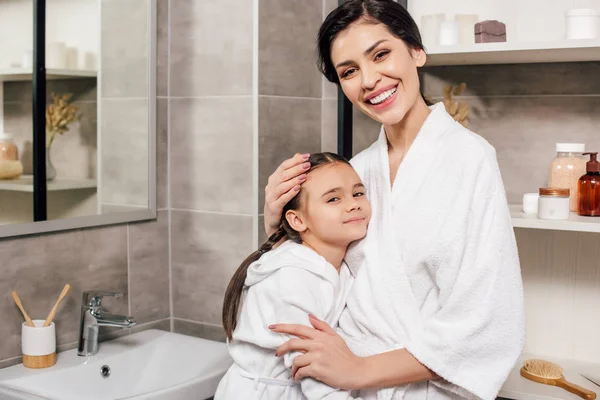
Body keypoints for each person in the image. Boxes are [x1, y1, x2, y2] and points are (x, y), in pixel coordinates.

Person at [263, 1, 526, 399]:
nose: (368, 80)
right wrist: (274, 223)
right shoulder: (358, 171)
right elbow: (318, 277)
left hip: (412, 387)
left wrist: (360, 370)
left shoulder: (469, 158)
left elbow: (484, 320)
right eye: (349, 71)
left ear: (416, 52)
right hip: (339, 385)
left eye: (381, 54)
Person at [215, 152, 371, 399]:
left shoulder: (339, 268)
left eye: (358, 193)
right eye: (333, 199)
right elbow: (311, 365)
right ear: (297, 220)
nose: (353, 204)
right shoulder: (292, 277)